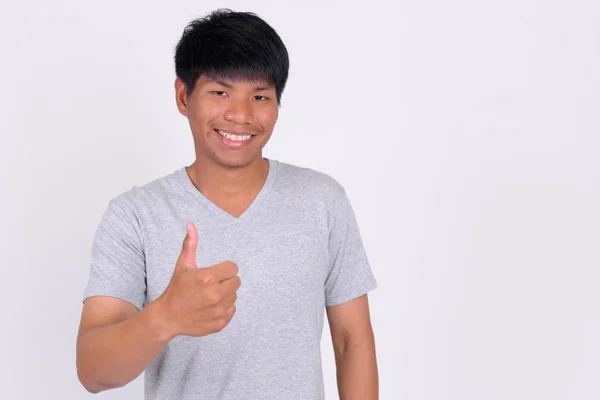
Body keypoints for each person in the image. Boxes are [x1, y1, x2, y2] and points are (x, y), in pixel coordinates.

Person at [76, 8, 378, 400]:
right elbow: (93, 372)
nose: (241, 115)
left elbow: (352, 343)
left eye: (259, 96)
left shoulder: (322, 201)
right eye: (220, 92)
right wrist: (164, 317)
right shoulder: (134, 216)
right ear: (184, 96)